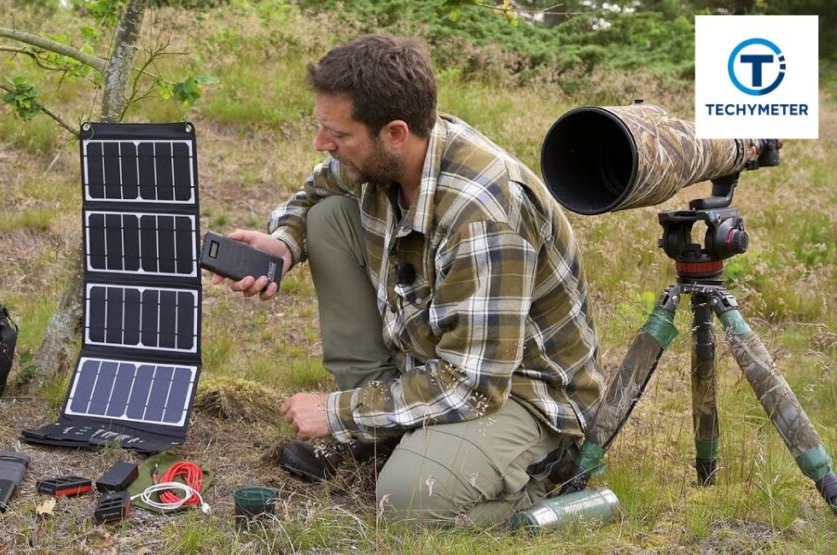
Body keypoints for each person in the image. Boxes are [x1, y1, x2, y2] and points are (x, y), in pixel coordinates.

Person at [210, 32, 604, 527]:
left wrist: (337, 412)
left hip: (521, 392)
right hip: (442, 362)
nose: (322, 144)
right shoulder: (388, 156)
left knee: (408, 501)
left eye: (338, 133)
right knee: (329, 218)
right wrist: (285, 244)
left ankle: (546, 481)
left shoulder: (484, 214)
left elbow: (472, 386)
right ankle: (378, 434)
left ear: (395, 132)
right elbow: (316, 191)